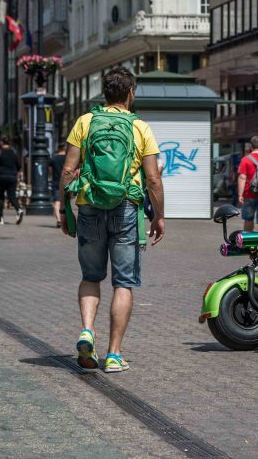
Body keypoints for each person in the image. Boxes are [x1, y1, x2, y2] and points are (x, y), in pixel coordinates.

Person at [60, 66, 165, 374]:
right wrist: (159, 216)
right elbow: (153, 178)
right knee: (123, 282)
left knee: (91, 276)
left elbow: (68, 171)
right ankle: (115, 355)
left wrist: (64, 209)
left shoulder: (85, 122)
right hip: (126, 209)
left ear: (104, 93)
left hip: (89, 205)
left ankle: (87, 331)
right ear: (130, 93)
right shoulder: (140, 127)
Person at [0, 136, 24, 225]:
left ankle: (1, 218)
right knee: (12, 196)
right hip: (12, 177)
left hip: (2, 176)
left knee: (0, 197)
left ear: (2, 143)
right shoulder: (14, 152)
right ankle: (19, 209)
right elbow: (19, 165)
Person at [50, 143, 67, 227]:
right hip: (67, 182)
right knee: (66, 202)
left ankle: (59, 220)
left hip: (56, 182)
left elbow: (50, 171)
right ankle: (66, 219)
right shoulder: (68, 158)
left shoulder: (54, 159)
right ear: (65, 148)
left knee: (57, 202)